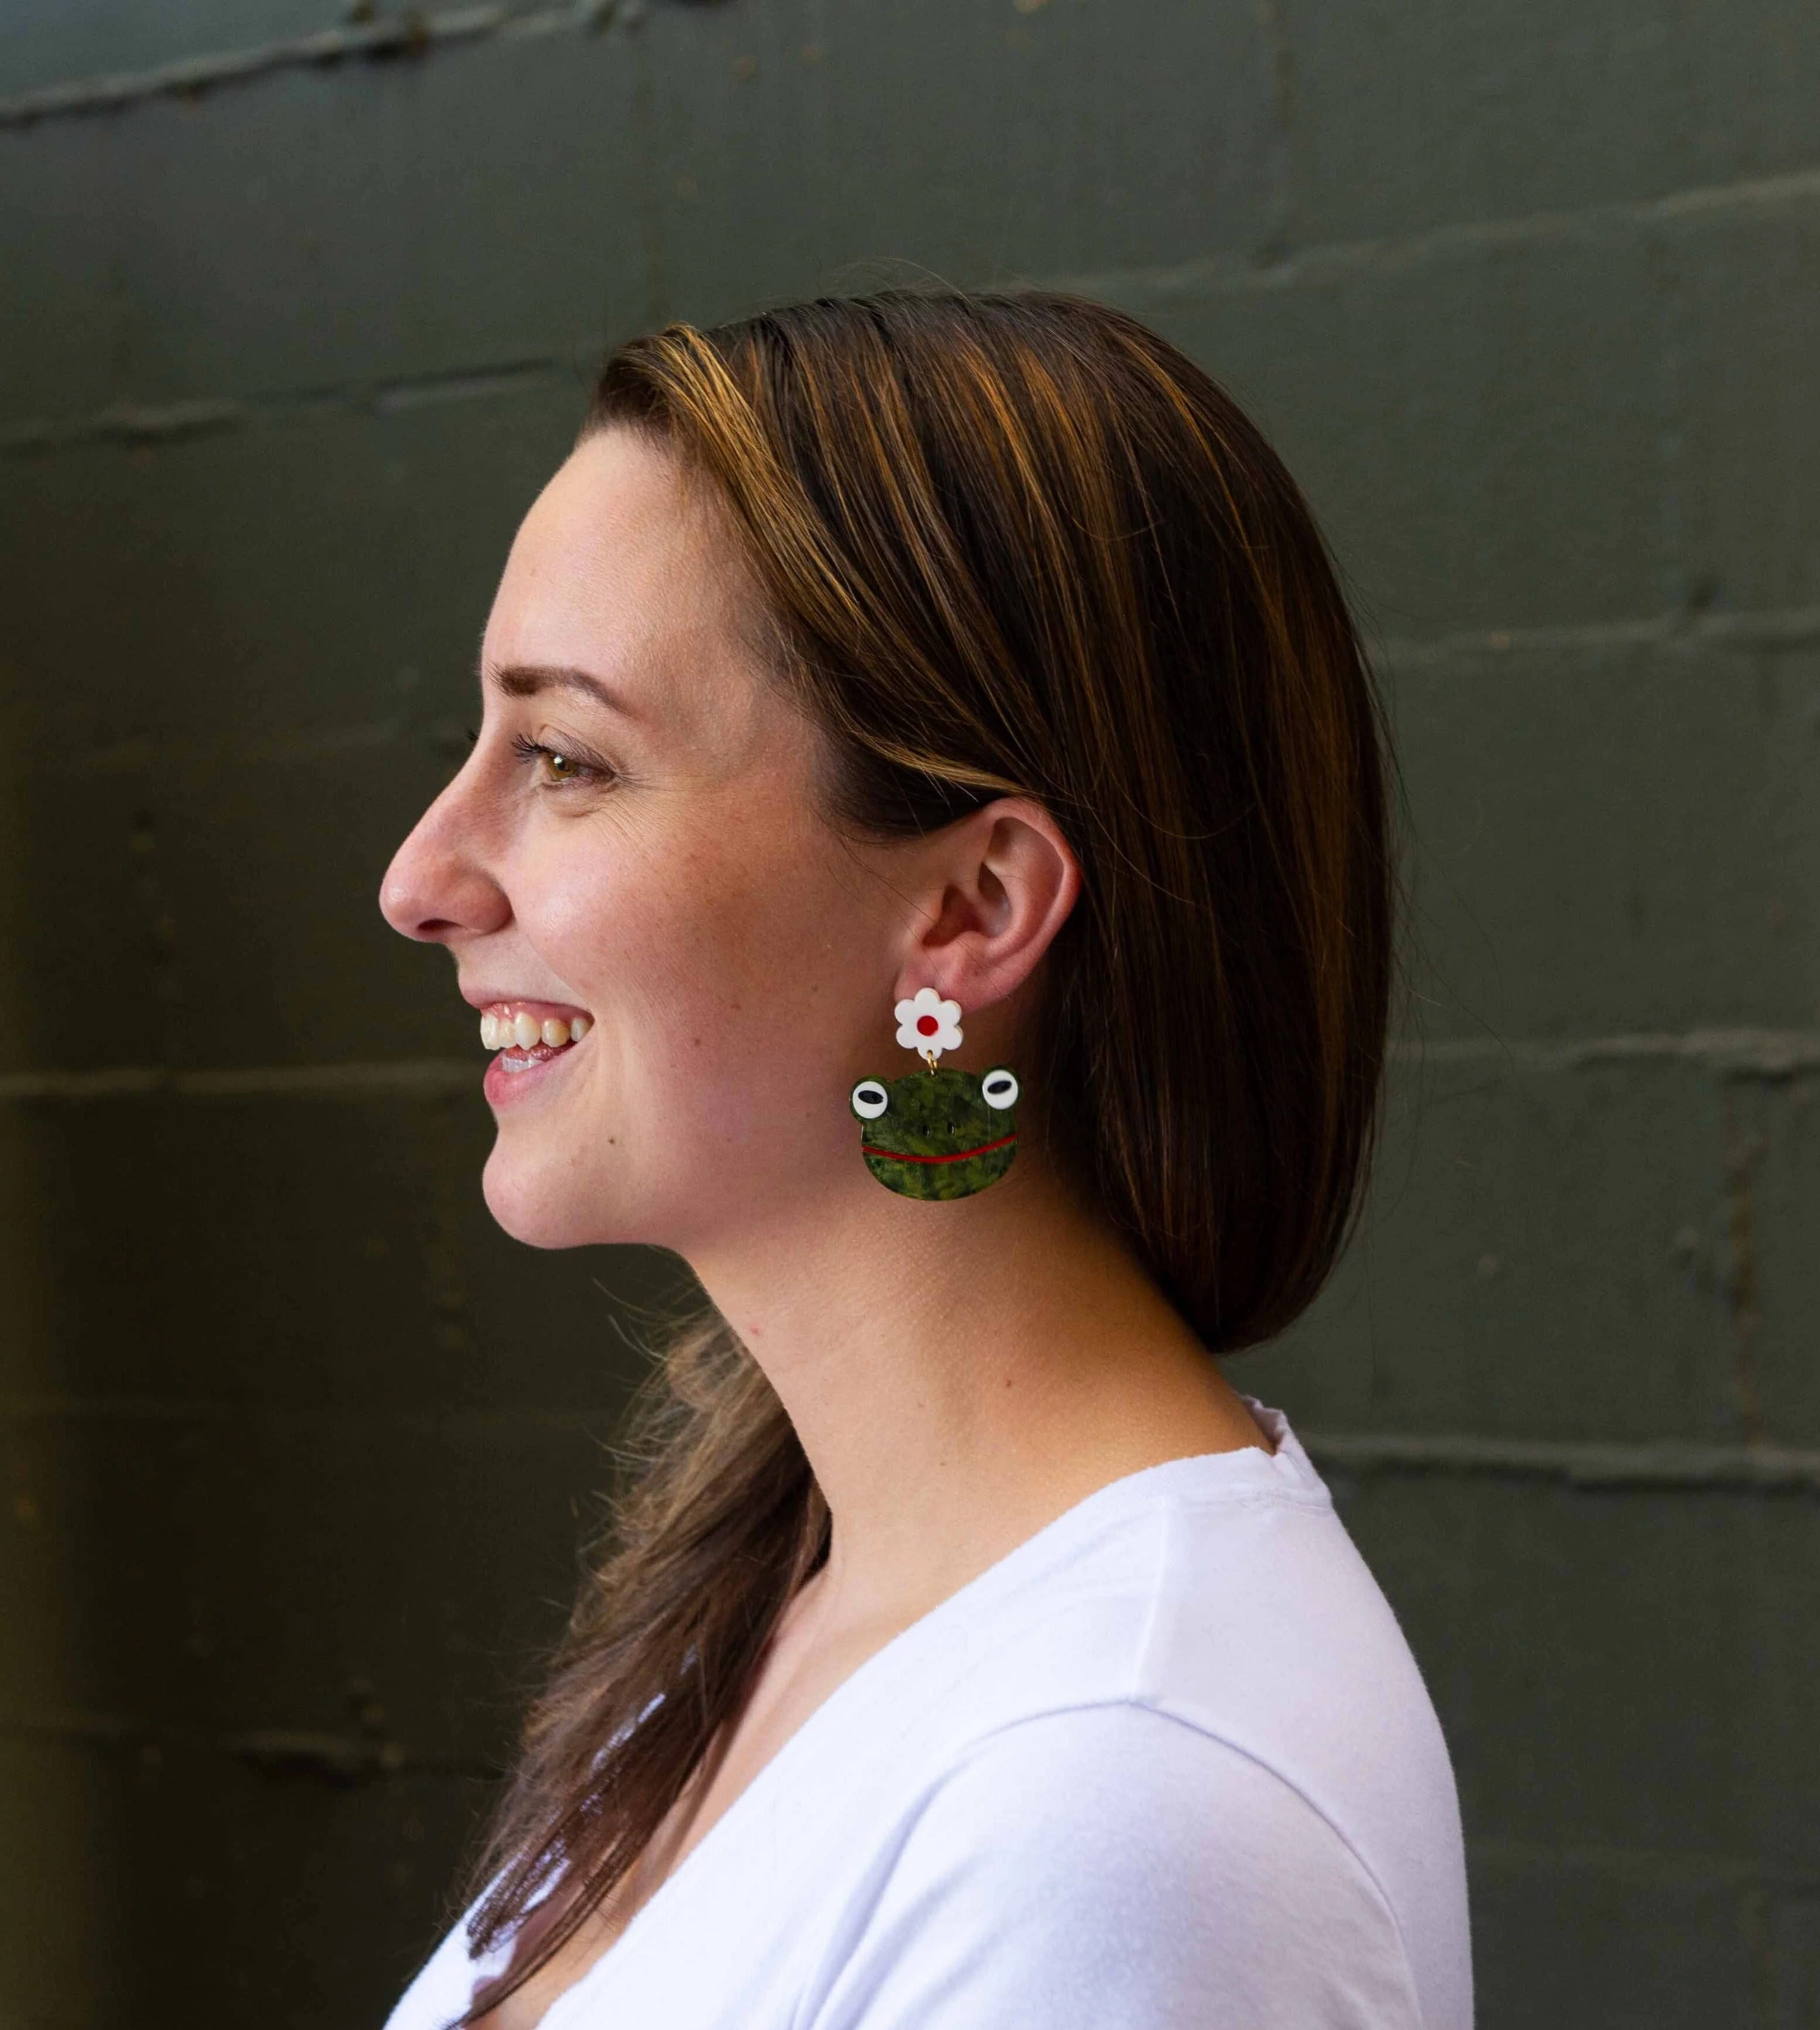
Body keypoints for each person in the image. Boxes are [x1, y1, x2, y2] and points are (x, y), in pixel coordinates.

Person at [376, 289, 1470, 2029]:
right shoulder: (795, 1596)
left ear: (973, 905)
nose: (422, 878)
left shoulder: (1116, 1793)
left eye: (568, 760)